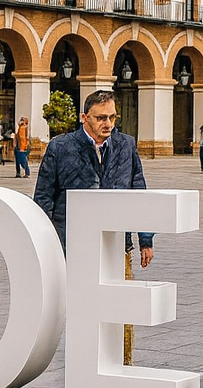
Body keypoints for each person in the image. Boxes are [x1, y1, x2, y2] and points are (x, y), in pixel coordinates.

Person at [32, 89, 155, 266]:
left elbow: (139, 193)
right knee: (72, 293)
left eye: (112, 117)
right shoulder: (60, 147)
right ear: (84, 117)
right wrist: (46, 241)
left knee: (117, 292)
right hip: (70, 244)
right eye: (101, 118)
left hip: (116, 243)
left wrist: (145, 240)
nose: (108, 124)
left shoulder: (126, 145)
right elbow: (44, 197)